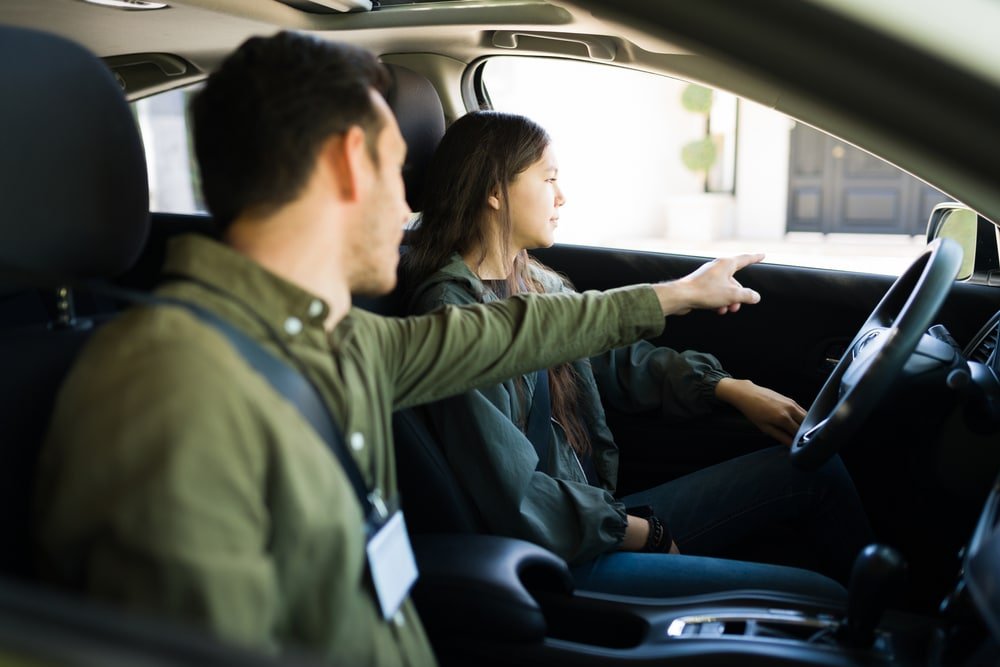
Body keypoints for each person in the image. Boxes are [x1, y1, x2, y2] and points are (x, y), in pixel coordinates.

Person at [33, 33, 767, 667]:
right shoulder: (174, 389)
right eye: (394, 169)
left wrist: (675, 297)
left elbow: (512, 331)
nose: (410, 204)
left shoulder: (336, 340)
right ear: (349, 162)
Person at [403, 110, 873, 598]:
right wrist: (646, 533)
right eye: (549, 178)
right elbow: (515, 496)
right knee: (819, 597)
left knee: (813, 471)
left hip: (596, 515)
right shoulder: (451, 313)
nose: (562, 196)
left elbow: (616, 360)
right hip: (555, 554)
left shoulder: (533, 280)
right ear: (495, 191)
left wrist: (728, 388)